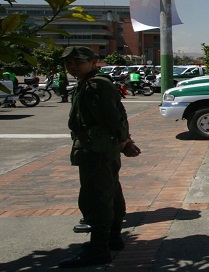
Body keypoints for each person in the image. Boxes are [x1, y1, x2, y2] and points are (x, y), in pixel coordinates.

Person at [59, 46, 141, 269]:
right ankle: (112, 240)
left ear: (93, 61)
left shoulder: (95, 85)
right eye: (68, 63)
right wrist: (124, 141)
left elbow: (112, 118)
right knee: (110, 192)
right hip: (100, 147)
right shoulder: (90, 82)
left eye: (78, 62)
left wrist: (124, 142)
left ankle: (98, 249)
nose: (72, 66)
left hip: (96, 149)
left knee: (96, 198)